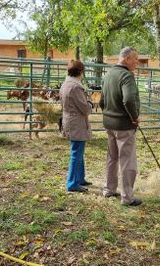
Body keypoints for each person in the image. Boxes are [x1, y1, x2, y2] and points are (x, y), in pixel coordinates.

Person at [99, 47, 142, 206]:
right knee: (127, 160)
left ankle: (109, 189)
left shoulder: (108, 75)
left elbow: (102, 101)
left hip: (109, 123)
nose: (137, 63)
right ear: (126, 59)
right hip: (124, 125)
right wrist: (134, 117)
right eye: (135, 59)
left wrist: (109, 114)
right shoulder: (126, 76)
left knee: (112, 157)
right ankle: (127, 197)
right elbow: (129, 100)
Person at [60, 60, 93, 193]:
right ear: (80, 72)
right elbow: (85, 109)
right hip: (77, 123)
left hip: (69, 120)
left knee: (78, 151)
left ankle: (79, 178)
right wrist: (90, 102)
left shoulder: (65, 84)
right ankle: (72, 183)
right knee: (76, 153)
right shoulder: (76, 87)